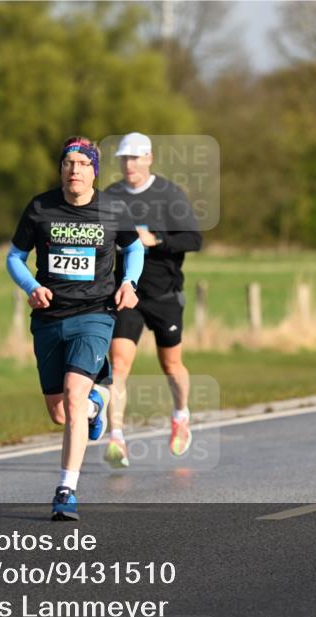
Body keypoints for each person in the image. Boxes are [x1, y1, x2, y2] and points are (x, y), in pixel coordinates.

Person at [7, 136, 143, 520]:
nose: (74, 170)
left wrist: (129, 283)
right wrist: (31, 287)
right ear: (61, 170)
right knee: (61, 413)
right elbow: (15, 257)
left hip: (96, 313)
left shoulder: (113, 208)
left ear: (94, 171)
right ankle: (97, 405)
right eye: (68, 163)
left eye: (83, 164)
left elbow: (134, 247)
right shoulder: (40, 207)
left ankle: (66, 490)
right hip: (50, 318)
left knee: (73, 393)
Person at [103, 132, 203, 467]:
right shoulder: (112, 195)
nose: (129, 164)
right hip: (127, 292)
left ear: (149, 158)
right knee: (118, 365)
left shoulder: (169, 194)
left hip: (164, 292)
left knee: (171, 364)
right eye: (123, 159)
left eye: (134, 158)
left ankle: (180, 416)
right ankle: (116, 438)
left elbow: (193, 239)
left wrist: (156, 240)